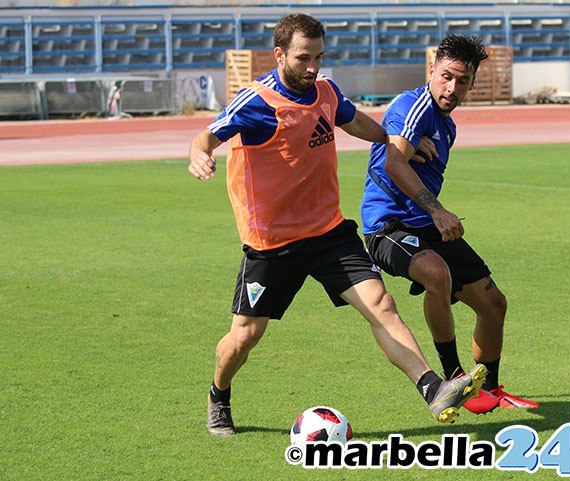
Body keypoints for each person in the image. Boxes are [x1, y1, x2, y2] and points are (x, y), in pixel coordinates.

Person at [188, 14, 486, 437]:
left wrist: (390, 139)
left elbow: (353, 120)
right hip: (273, 243)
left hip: (329, 232)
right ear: (279, 55)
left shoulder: (325, 91)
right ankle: (219, 395)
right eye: (303, 58)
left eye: (318, 57)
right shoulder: (256, 101)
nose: (312, 67)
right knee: (244, 337)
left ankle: (432, 388)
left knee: (380, 304)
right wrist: (200, 154)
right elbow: (207, 135)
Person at [360, 34, 538, 414]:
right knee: (436, 273)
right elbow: (394, 163)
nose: (452, 88)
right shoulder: (413, 106)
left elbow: (403, 156)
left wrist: (433, 214)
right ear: (432, 70)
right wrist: (438, 211)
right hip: (387, 227)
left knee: (494, 304)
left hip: (425, 224)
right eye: (447, 76)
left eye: (463, 81)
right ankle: (454, 378)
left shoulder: (446, 125)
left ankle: (487, 389)